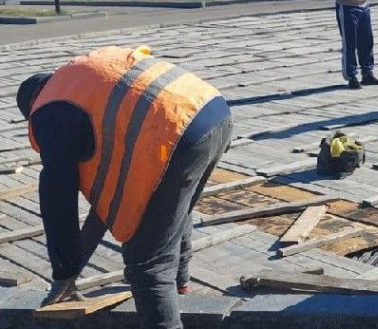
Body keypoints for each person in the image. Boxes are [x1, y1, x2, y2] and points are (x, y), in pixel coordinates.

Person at [16, 46, 232, 329]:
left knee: (146, 261)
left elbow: (58, 196)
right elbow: (106, 205)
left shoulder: (49, 112)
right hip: (212, 111)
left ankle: (167, 306)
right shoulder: (83, 80)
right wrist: (73, 269)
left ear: (32, 109)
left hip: (173, 130)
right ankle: (179, 287)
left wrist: (63, 270)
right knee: (171, 204)